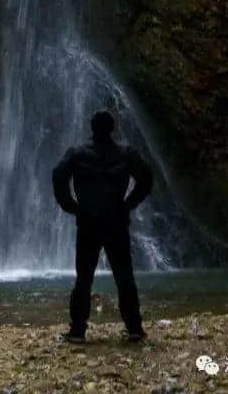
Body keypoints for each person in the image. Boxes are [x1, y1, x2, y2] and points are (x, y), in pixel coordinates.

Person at [52, 110, 153, 343]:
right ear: (112, 128)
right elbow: (146, 178)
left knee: (84, 277)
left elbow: (58, 176)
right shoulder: (126, 154)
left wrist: (71, 205)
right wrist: (129, 203)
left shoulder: (78, 154)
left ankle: (77, 330)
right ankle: (134, 328)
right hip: (116, 220)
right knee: (124, 275)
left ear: (92, 127)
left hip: (88, 220)